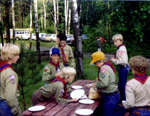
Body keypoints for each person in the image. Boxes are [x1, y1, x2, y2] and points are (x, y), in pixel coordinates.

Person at [87, 51, 121, 116]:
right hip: (112, 95)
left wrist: (94, 85)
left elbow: (104, 84)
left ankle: (123, 110)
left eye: (96, 62)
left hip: (110, 97)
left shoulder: (103, 69)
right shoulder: (107, 65)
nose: (96, 65)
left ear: (101, 60)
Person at [0, 43, 21, 116]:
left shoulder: (1, 68)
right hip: (7, 107)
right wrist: (15, 108)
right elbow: (10, 96)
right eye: (16, 55)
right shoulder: (10, 74)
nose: (18, 57)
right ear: (10, 56)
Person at [110, 34, 130, 102]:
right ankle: (121, 99)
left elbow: (124, 61)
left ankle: (123, 100)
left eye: (116, 42)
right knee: (120, 84)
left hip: (123, 68)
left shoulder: (122, 49)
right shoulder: (120, 47)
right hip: (121, 68)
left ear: (121, 41)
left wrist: (114, 60)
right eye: (114, 42)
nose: (114, 43)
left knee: (122, 86)